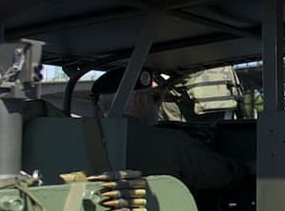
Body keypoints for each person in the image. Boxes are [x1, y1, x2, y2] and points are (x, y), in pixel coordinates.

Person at [90, 68, 249, 191]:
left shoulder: (84, 142)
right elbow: (219, 174)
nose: (159, 106)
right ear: (139, 100)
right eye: (155, 98)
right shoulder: (171, 142)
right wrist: (247, 168)